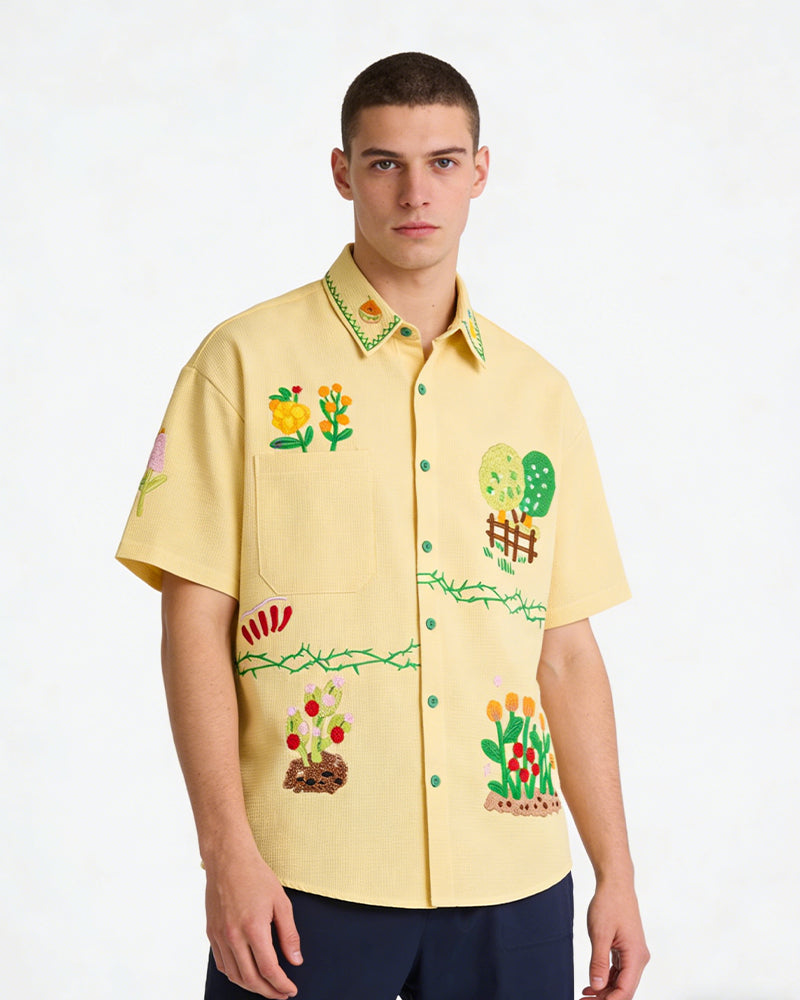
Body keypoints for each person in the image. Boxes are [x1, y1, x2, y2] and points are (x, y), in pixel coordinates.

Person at [117, 51, 649, 1000]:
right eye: (384, 163)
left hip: (515, 881)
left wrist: (617, 871)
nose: (416, 192)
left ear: (480, 172)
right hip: (304, 877)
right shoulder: (241, 364)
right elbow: (193, 620)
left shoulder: (538, 396)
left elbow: (566, 650)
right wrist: (225, 853)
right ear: (342, 172)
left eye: (443, 162)